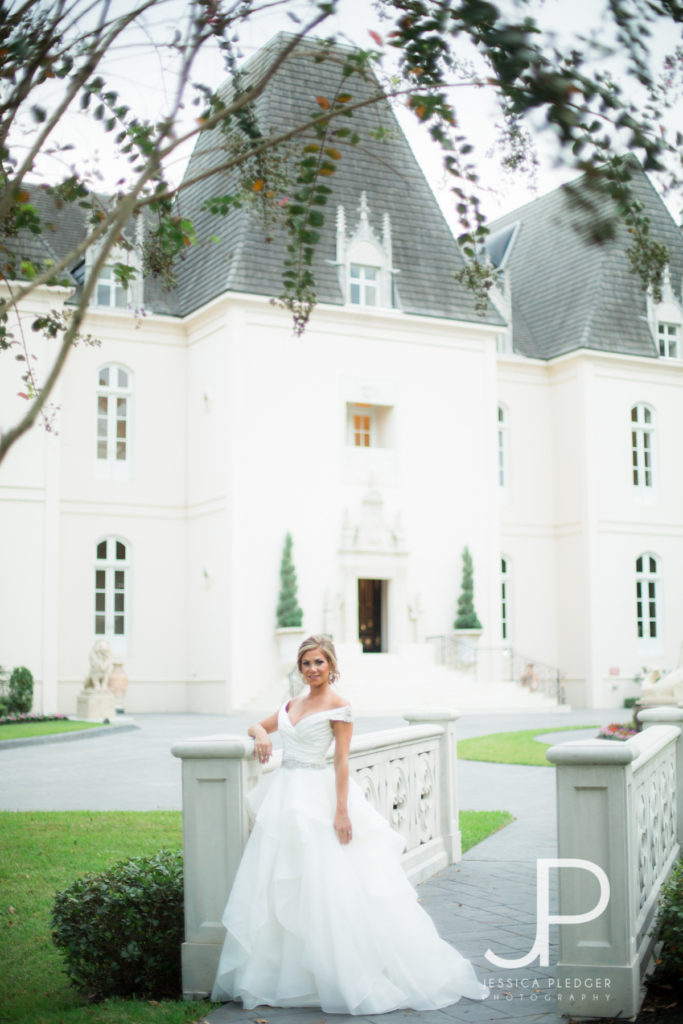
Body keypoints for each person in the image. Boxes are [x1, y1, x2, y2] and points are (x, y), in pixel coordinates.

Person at [211, 634, 489, 1014]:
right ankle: (285, 975)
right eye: (306, 663)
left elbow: (342, 761)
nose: (312, 669)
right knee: (283, 880)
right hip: (285, 797)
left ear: (332, 666)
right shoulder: (291, 704)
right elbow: (256, 727)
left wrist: (341, 811)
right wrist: (261, 734)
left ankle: (340, 972)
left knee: (327, 884)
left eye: (319, 663)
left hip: (317, 795)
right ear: (300, 667)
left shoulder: (340, 707)